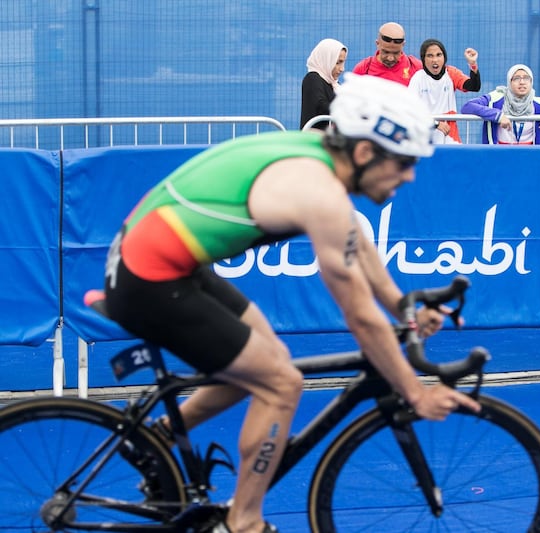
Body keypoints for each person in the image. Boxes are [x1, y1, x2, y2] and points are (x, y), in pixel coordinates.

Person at [99, 74, 481, 533]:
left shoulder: (318, 157)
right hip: (152, 277)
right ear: (364, 153)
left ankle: (157, 437)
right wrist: (414, 392)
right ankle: (244, 522)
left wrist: (403, 307)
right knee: (282, 383)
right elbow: (359, 315)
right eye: (402, 162)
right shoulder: (318, 193)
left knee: (266, 358)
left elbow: (355, 239)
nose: (410, 174)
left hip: (163, 261)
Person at [461, 64, 540, 145]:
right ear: (509, 82)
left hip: (529, 159)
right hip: (498, 158)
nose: (522, 82)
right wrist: (497, 116)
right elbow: (467, 106)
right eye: (516, 78)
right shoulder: (495, 99)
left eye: (526, 78)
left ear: (531, 82)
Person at [407, 39, 481, 144]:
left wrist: (472, 64)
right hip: (424, 137)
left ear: (444, 57)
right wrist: (436, 124)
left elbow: (474, 86)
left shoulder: (451, 73)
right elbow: (410, 109)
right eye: (430, 56)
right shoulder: (418, 78)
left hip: (450, 137)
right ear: (423, 59)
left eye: (439, 55)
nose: (435, 60)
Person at [351, 22, 422, 86]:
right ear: (377, 44)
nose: (390, 58)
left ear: (403, 45)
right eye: (386, 52)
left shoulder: (416, 67)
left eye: (396, 53)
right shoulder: (363, 69)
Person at [300, 38, 347, 130]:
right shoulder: (312, 78)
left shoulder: (335, 85)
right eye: (337, 62)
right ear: (326, 59)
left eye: (343, 62)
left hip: (330, 141)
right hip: (313, 141)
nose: (342, 69)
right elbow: (321, 106)